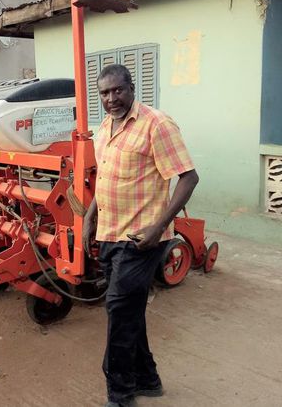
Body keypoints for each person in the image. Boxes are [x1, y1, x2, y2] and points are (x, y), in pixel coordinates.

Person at [83, 64, 199, 407]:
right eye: (104, 93)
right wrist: (90, 217)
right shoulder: (104, 128)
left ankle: (119, 395)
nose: (111, 99)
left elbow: (188, 178)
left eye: (118, 90)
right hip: (109, 233)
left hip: (141, 238)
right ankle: (148, 379)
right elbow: (104, 179)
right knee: (128, 310)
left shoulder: (156, 124)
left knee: (118, 311)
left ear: (132, 88)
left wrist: (158, 226)